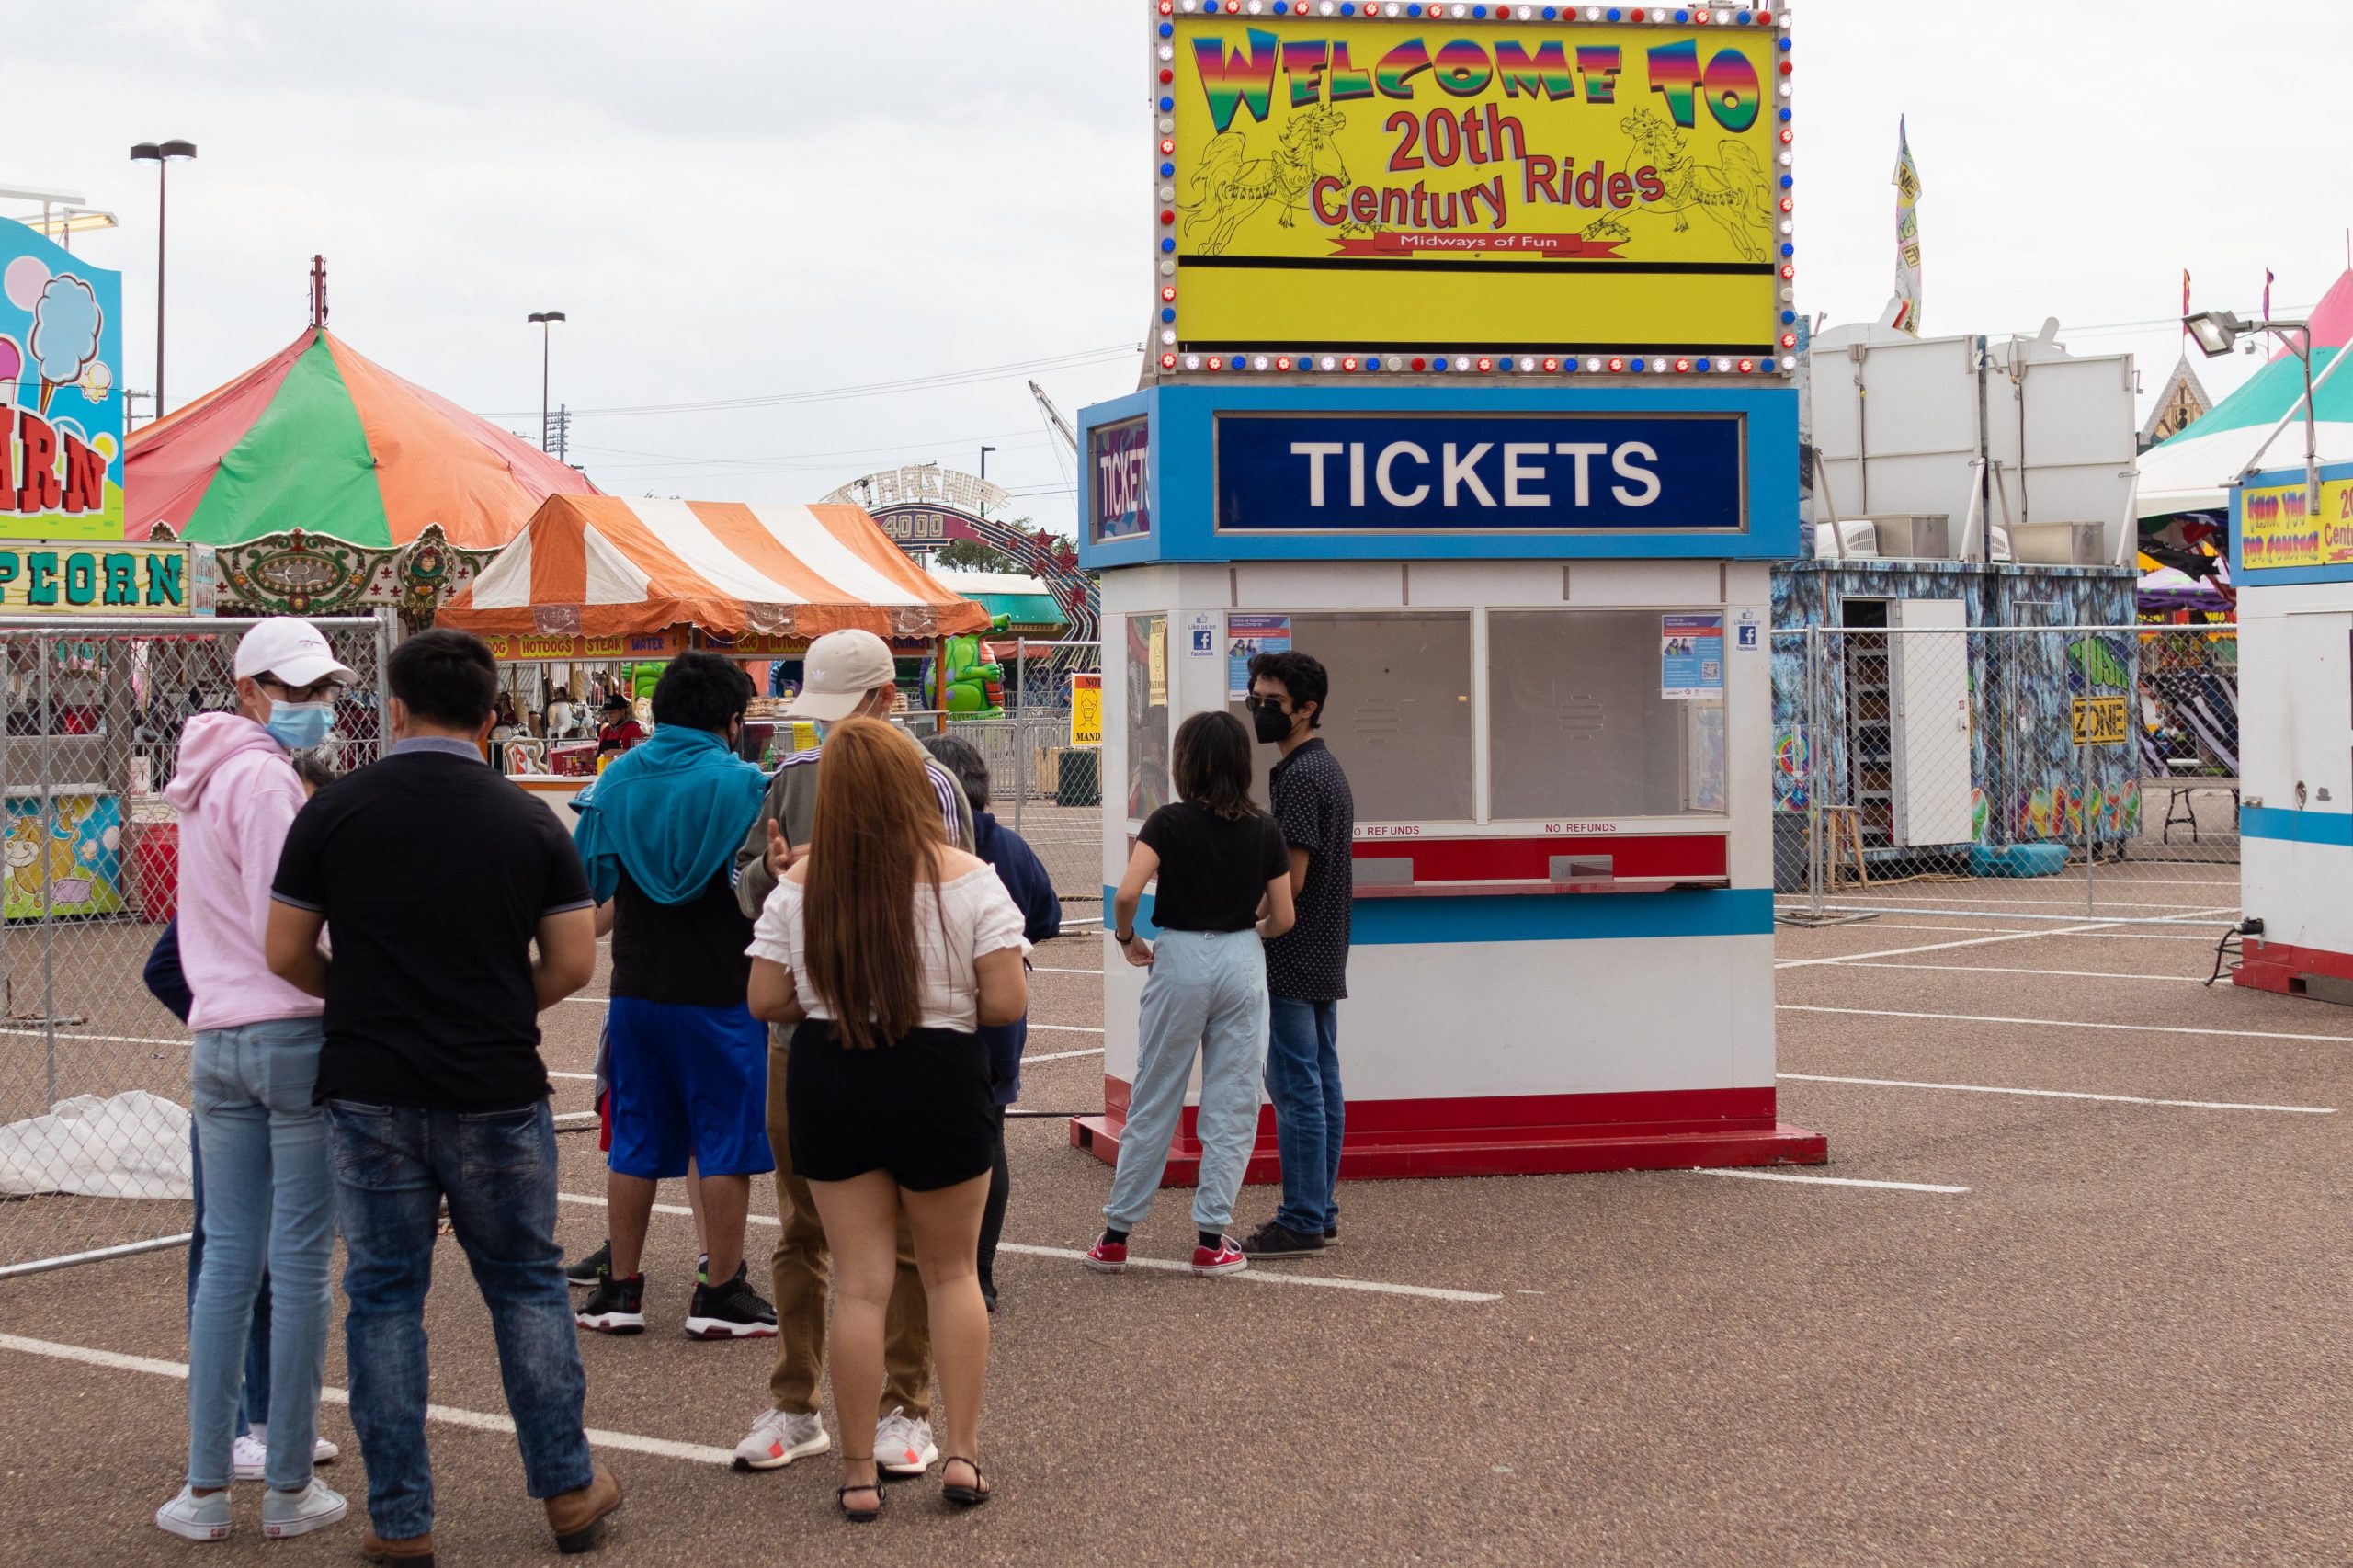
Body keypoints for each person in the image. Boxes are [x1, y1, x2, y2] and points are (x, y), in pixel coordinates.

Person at [264, 629, 620, 1563]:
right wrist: (501, 1000)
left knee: (383, 1297)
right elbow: (574, 959)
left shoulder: (335, 810)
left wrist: (366, 998)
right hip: (494, 1083)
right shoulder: (530, 820)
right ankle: (569, 1487)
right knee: (526, 1285)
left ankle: (401, 1518)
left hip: (369, 1085)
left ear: (391, 709)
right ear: (492, 716)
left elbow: (286, 951)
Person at [745, 718, 1029, 1520]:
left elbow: (766, 998)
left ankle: (859, 1470)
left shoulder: (802, 884)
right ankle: (962, 1453)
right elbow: (1005, 1000)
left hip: (833, 1072)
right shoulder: (968, 876)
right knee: (950, 1273)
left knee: (860, 1285)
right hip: (938, 1073)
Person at [726, 628, 974, 1478]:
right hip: (810, 1039)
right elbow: (746, 882)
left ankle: (909, 1407)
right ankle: (796, 1403)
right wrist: (773, 873)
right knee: (802, 1230)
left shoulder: (931, 783)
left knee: (907, 1241)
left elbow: (958, 885)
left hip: (901, 1033)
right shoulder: (789, 779)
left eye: (852, 708)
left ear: (887, 700)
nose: (835, 729)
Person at [153, 617, 354, 1544]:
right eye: (296, 689)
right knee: (302, 1261)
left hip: (219, 1035)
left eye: (319, 689)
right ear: (250, 688)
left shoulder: (198, 775)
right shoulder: (267, 779)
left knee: (227, 1258)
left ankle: (203, 1485)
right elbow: (297, 918)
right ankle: (285, 1484)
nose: (312, 706)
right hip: (288, 1029)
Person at [570, 653, 778, 1339]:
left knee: (632, 1138)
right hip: (723, 992)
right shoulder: (748, 786)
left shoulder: (616, 781)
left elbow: (588, 889)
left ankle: (619, 1290)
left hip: (635, 991)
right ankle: (719, 1293)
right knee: (723, 1144)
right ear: (732, 718)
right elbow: (765, 888)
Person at [1086, 710, 1294, 1279]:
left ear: (1186, 763)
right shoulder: (1264, 828)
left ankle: (1116, 1235)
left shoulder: (1167, 822)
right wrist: (1248, 935)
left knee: (1156, 1091)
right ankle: (1211, 1238)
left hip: (1178, 955)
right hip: (1240, 958)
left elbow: (1128, 893)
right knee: (1232, 1100)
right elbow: (1284, 915)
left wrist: (1128, 937)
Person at [920, 733, 1060, 1311]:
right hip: (999, 1019)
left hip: (928, 1017)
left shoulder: (916, 852)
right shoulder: (1011, 848)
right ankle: (979, 1273)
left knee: (919, 1144)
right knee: (988, 1141)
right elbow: (1047, 918)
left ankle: (927, 1269)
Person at [1237, 651, 1357, 1260]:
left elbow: (1294, 877)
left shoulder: (1302, 778)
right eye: (1254, 698)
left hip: (1294, 950)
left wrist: (1251, 920)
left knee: (1295, 1085)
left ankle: (1303, 1217)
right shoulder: (1323, 768)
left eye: (1271, 703)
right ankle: (1320, 1207)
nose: (1259, 710)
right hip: (1325, 948)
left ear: (1307, 709)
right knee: (1321, 1080)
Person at [596, 694, 645, 758]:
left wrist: (621, 752)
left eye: (613, 712)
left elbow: (640, 754)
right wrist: (588, 759)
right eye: (607, 713)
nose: (609, 716)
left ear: (622, 711)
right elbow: (600, 757)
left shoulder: (634, 729)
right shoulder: (605, 731)